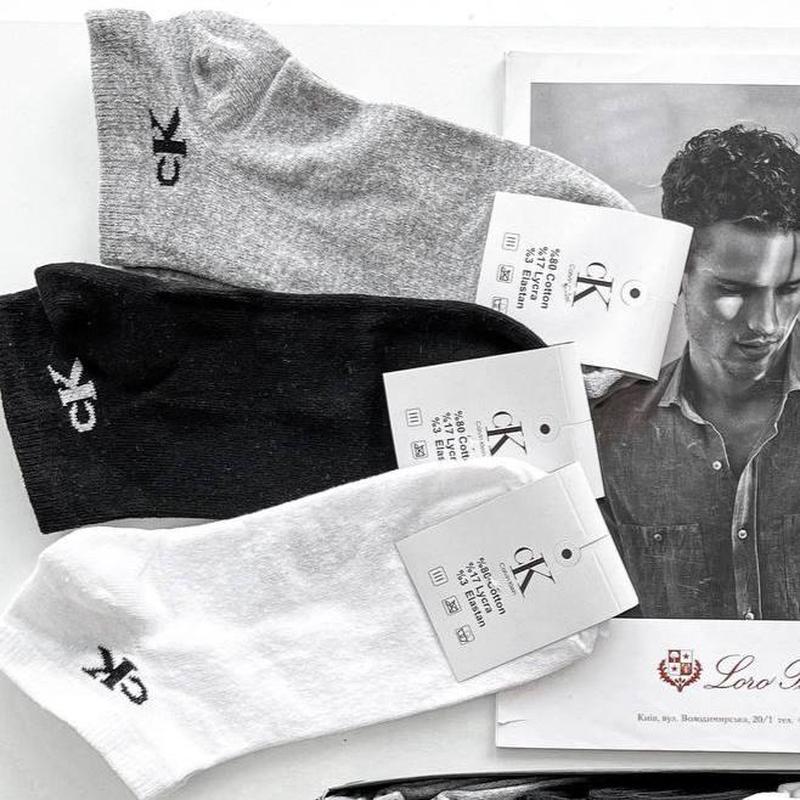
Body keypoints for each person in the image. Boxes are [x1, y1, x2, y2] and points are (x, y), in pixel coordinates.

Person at [593, 124, 800, 619]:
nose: (767, 324)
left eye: (790, 289)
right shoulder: (605, 435)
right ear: (675, 275)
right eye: (735, 290)